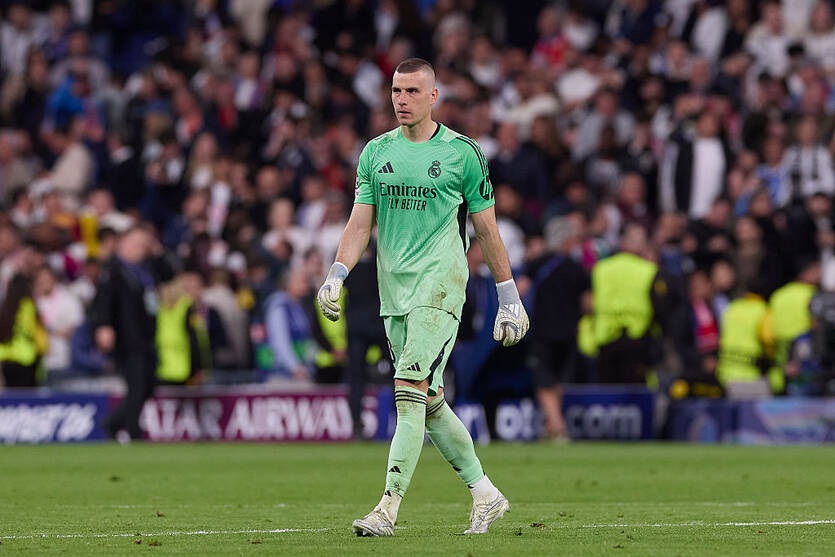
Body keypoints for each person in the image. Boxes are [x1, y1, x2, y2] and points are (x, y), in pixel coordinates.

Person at [316, 58, 529, 537]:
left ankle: (387, 508)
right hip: (394, 291)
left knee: (408, 389)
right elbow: (360, 223)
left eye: (412, 91)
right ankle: (486, 493)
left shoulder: (462, 153)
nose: (402, 100)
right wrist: (336, 274)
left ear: (434, 96)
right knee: (428, 401)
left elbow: (486, 229)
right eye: (396, 91)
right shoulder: (376, 153)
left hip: (441, 284)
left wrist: (509, 297)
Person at [88, 225, 162, 441]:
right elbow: (103, 300)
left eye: (144, 245)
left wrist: (158, 252)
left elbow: (169, 273)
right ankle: (132, 431)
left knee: (148, 386)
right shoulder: (114, 270)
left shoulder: (146, 270)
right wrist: (103, 325)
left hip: (146, 337)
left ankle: (113, 423)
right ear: (123, 243)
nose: (141, 249)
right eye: (137, 244)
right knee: (137, 385)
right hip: (127, 338)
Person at [525, 213, 590, 441]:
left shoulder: (537, 264)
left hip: (542, 332)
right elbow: (588, 304)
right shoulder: (577, 269)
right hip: (569, 333)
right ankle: (552, 426)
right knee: (557, 381)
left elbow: (520, 290)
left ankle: (557, 425)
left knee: (544, 381)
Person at [0, 273, 47, 387]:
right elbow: (34, 331)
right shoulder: (28, 306)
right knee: (27, 395)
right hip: (26, 358)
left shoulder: (5, 307)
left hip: (7, 358)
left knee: (11, 395)